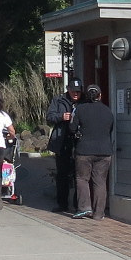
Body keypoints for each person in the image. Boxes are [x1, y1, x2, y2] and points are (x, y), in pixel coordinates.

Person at [70, 85, 116, 220]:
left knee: (82, 179)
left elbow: (72, 128)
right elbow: (110, 129)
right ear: (100, 96)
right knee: (100, 181)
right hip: (104, 151)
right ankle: (99, 213)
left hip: (84, 150)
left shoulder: (80, 109)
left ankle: (84, 208)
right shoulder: (108, 111)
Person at [46, 81, 82, 213]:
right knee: (62, 174)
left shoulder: (83, 102)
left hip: (79, 142)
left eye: (78, 91)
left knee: (79, 174)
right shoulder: (58, 100)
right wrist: (61, 117)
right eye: (73, 91)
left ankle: (78, 204)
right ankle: (62, 204)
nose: (76, 94)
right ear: (68, 89)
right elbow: (49, 117)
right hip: (62, 141)